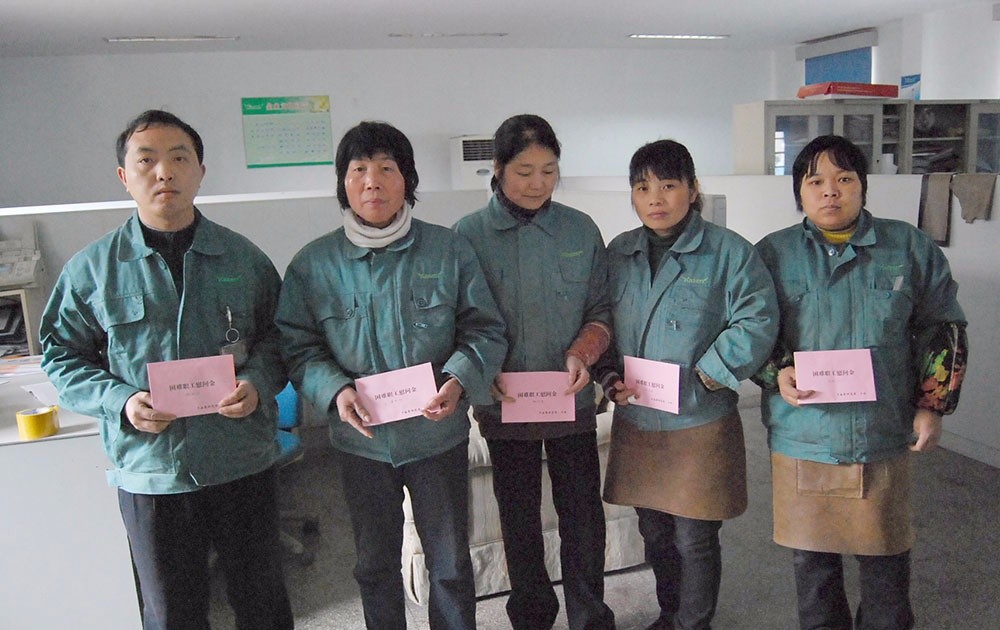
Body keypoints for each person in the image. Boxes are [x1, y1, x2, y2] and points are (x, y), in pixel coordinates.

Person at [40, 109, 293, 630]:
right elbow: (61, 356)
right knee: (172, 612)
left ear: (200, 171)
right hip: (152, 469)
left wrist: (257, 383)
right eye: (147, 160)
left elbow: (279, 338)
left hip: (239, 458)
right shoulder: (93, 270)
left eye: (179, 158)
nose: (164, 172)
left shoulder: (242, 259)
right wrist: (121, 401)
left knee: (263, 603)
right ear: (124, 176)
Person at [276, 121, 507, 630]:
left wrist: (458, 380)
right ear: (344, 183)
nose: (372, 182)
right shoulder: (314, 264)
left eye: (386, 168)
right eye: (359, 170)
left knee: (450, 564)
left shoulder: (448, 250)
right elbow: (297, 345)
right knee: (375, 564)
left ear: (408, 180)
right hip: (362, 443)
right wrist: (335, 391)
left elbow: (485, 329)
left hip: (437, 436)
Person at [753, 134, 968, 630]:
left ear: (862, 187)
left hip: (881, 432)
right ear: (800, 193)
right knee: (813, 565)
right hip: (804, 436)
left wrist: (932, 405)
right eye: (816, 181)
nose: (830, 191)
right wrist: (775, 371)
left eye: (844, 179)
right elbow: (751, 331)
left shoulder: (908, 247)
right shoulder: (773, 254)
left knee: (885, 560)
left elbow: (943, 329)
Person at [597, 139, 779, 630]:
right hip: (639, 419)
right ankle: (670, 614)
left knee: (694, 537)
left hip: (699, 418)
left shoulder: (729, 252)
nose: (655, 198)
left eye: (669, 185)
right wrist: (608, 376)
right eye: (643, 188)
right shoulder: (619, 253)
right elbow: (601, 322)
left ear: (693, 190)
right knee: (654, 531)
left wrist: (708, 372)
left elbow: (758, 320)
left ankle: (693, 623)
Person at [453, 114, 616, 630]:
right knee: (519, 518)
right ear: (497, 169)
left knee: (583, 517)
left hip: (571, 399)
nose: (537, 184)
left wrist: (583, 354)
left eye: (549, 171)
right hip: (505, 403)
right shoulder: (468, 236)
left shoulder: (580, 229)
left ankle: (590, 616)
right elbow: (458, 322)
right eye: (524, 172)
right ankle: (531, 615)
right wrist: (480, 371)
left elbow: (601, 312)